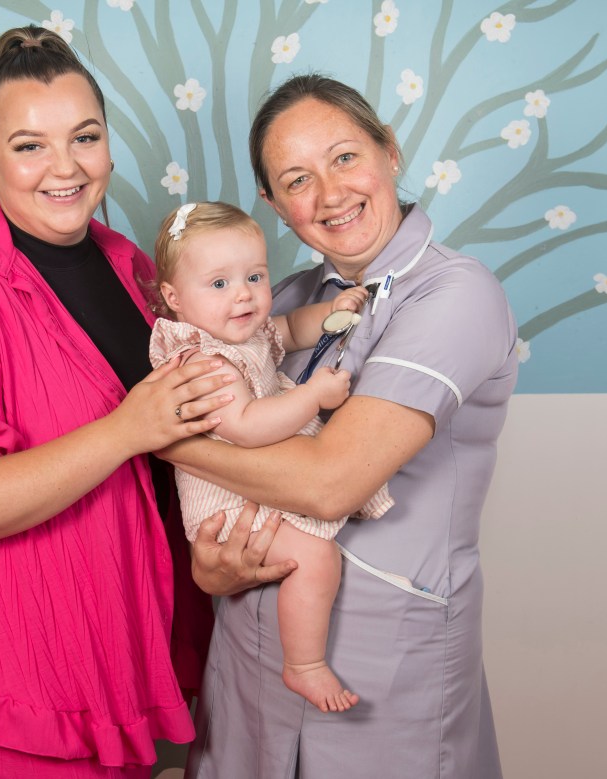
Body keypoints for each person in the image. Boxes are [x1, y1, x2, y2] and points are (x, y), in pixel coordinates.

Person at [0, 26, 233, 779]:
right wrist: (126, 429)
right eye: (30, 145)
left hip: (127, 661)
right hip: (15, 689)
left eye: (84, 137)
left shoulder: (128, 265)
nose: (64, 168)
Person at [165, 75, 518, 778]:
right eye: (297, 178)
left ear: (389, 152)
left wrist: (166, 439)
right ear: (272, 203)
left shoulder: (455, 295)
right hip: (247, 656)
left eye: (345, 157)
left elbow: (330, 483)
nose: (329, 194)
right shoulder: (282, 299)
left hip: (384, 662)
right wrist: (210, 567)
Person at [148, 201, 394, 714]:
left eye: (254, 276)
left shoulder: (242, 332)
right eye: (218, 284)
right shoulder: (204, 360)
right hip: (227, 497)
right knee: (315, 557)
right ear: (173, 298)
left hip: (255, 478)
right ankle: (303, 663)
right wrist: (312, 398)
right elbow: (245, 428)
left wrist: (331, 313)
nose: (243, 294)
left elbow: (287, 330)